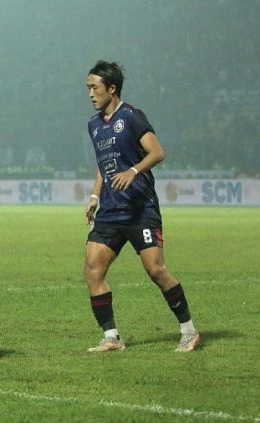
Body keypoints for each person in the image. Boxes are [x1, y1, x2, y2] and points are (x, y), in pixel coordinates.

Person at [83, 60, 201, 353]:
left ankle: (189, 330)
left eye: (94, 87)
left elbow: (157, 152)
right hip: (110, 210)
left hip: (139, 209)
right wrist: (95, 197)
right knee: (93, 270)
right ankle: (111, 337)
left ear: (112, 88)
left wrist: (133, 171)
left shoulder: (132, 116)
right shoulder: (94, 125)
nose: (90, 94)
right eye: (88, 88)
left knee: (156, 270)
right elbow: (103, 164)